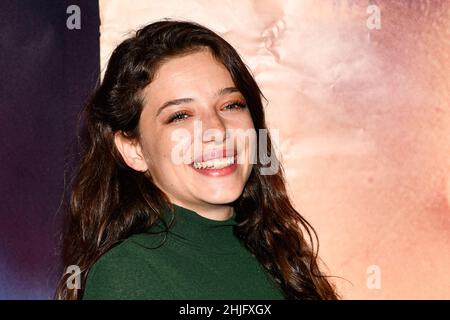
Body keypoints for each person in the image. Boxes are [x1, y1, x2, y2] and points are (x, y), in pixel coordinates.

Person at [55, 20, 339, 300]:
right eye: (180, 116)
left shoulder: (279, 253)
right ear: (134, 150)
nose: (216, 130)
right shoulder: (129, 273)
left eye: (231, 105)